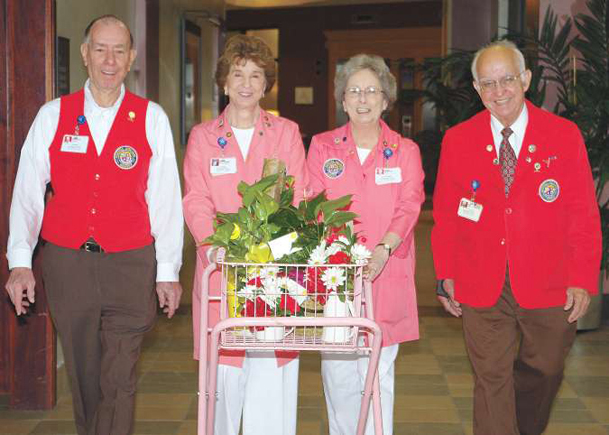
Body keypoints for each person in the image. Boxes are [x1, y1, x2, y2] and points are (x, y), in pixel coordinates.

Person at [4, 15, 183, 435]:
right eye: (100, 48)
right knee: (85, 378)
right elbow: (27, 193)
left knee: (119, 376)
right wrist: (19, 261)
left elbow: (166, 201)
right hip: (68, 265)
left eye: (119, 50)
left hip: (131, 265)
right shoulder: (53, 116)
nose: (109, 59)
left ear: (131, 58)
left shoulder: (151, 118)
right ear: (85, 54)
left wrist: (168, 272)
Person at [431, 40, 601, 435]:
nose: (498, 91)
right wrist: (446, 274)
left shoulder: (563, 134)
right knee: (491, 380)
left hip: (549, 281)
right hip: (481, 281)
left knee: (544, 371)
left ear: (525, 79)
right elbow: (445, 216)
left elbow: (582, 213)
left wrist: (581, 277)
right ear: (476, 89)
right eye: (487, 84)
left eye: (506, 79)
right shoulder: (458, 139)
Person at [182, 34, 308, 435]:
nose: (247, 83)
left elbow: (298, 195)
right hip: (223, 273)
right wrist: (215, 247)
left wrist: (274, 249)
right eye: (238, 74)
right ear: (224, 81)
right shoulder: (203, 136)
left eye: (256, 75)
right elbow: (196, 199)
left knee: (270, 392)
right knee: (222, 387)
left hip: (275, 275)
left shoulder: (286, 132)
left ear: (266, 83)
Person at [307, 54, 425, 434]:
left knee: (378, 378)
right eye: (354, 91)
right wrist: (338, 255)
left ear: (386, 99)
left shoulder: (405, 151)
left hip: (386, 273)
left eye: (371, 90)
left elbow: (410, 205)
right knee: (338, 380)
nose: (363, 98)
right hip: (335, 278)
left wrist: (383, 249)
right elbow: (312, 205)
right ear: (342, 100)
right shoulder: (323, 148)